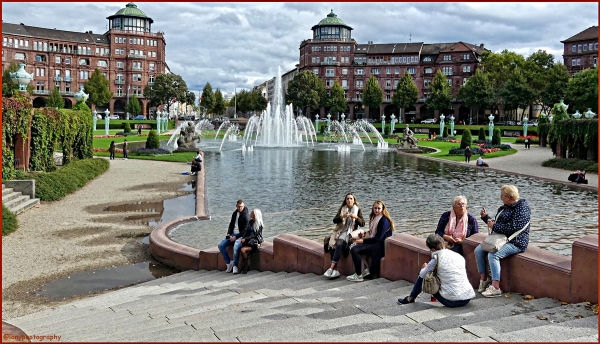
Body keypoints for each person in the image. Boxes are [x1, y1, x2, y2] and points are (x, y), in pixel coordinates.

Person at [474, 185, 531, 297]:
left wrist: (494, 226)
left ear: (509, 197)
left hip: (516, 241)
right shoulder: (506, 206)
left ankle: (496, 287)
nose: (500, 198)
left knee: (493, 255)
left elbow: (514, 227)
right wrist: (486, 218)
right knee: (478, 251)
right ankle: (484, 279)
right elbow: (500, 223)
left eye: (502, 196)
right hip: (500, 239)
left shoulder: (522, 208)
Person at [398, 234, 476, 307]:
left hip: (451, 301)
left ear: (432, 249)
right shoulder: (458, 256)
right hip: (467, 298)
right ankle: (431, 299)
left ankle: (410, 298)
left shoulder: (436, 258)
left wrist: (423, 268)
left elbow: (423, 275)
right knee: (438, 275)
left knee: (426, 276)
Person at [346, 200, 394, 282]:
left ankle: (358, 275)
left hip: (379, 246)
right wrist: (363, 236)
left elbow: (378, 238)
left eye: (379, 208)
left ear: (383, 209)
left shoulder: (384, 220)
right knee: (354, 246)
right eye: (375, 208)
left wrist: (362, 241)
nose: (377, 210)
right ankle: (364, 270)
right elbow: (372, 233)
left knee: (354, 249)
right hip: (375, 243)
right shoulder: (374, 217)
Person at [324, 193, 365, 279]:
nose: (349, 200)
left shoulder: (357, 210)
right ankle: (335, 270)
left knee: (339, 244)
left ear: (354, 200)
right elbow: (334, 220)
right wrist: (342, 216)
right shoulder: (342, 209)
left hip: (350, 235)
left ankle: (331, 268)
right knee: (332, 245)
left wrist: (356, 217)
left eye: (351, 199)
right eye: (347, 199)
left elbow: (363, 224)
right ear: (345, 200)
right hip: (341, 232)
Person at [218, 200, 251, 274]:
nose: (240, 208)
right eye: (239, 206)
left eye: (241, 206)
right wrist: (228, 233)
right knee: (221, 245)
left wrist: (236, 237)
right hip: (233, 234)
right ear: (236, 206)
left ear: (244, 206)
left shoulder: (246, 216)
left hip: (240, 236)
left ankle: (235, 265)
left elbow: (245, 230)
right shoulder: (235, 213)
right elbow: (231, 224)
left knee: (235, 247)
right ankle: (229, 263)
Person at [239, 208, 264, 274]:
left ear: (256, 215)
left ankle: (246, 266)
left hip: (255, 241)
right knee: (241, 249)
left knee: (243, 250)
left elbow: (255, 235)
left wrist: (246, 239)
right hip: (248, 240)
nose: (251, 213)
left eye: (252, 213)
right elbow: (246, 231)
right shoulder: (250, 222)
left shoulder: (259, 224)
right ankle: (243, 265)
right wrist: (243, 238)